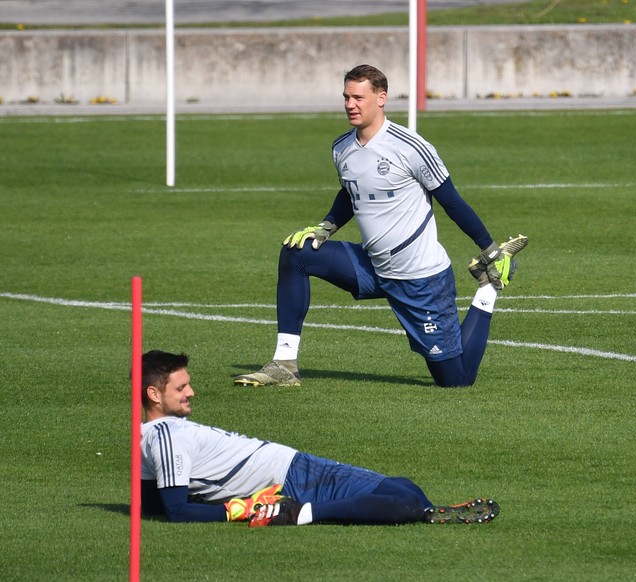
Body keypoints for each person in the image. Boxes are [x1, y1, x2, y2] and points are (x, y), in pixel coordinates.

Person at [233, 64, 528, 389]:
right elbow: (350, 191)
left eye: (358, 97)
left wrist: (489, 250)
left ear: (381, 97)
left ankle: (488, 287)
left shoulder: (412, 147)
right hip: (372, 266)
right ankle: (284, 364)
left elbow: (452, 202)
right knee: (297, 253)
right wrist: (325, 227)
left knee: (456, 380)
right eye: (346, 97)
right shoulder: (341, 148)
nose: (350, 104)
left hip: (421, 279)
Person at [140, 350, 500, 526]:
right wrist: (241, 510)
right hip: (293, 478)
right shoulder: (166, 435)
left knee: (406, 488)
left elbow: (151, 505)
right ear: (154, 394)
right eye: (181, 387)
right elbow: (175, 510)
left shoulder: (150, 436)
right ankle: (299, 515)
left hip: (293, 469)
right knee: (403, 502)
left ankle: (429, 511)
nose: (191, 392)